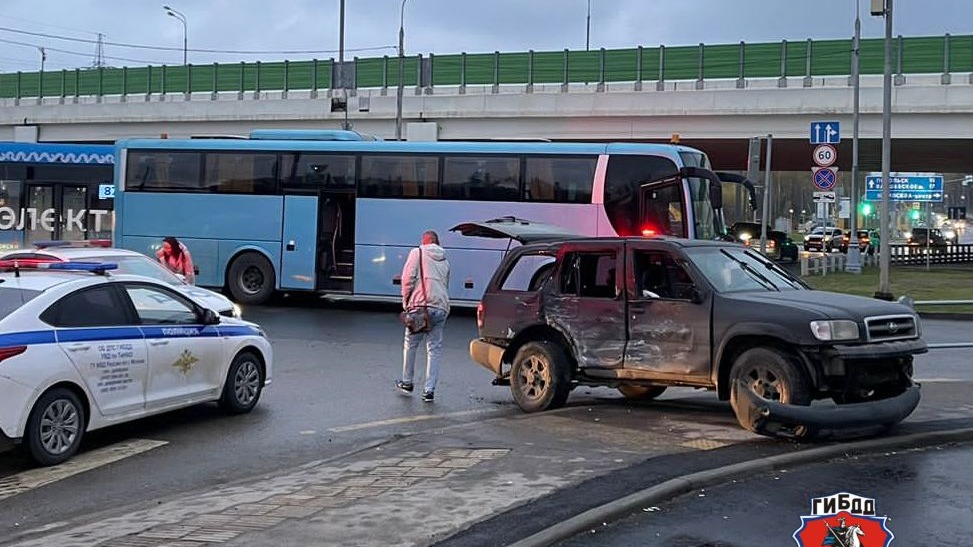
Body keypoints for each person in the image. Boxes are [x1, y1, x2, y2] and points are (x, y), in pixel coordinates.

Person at [395, 230, 450, 402]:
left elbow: (407, 279)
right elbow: (445, 284)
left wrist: (405, 301)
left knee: (411, 343)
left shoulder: (417, 252)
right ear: (436, 242)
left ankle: (407, 381)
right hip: (441, 307)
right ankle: (429, 391)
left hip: (420, 306)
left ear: (424, 241)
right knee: (434, 348)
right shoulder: (445, 260)